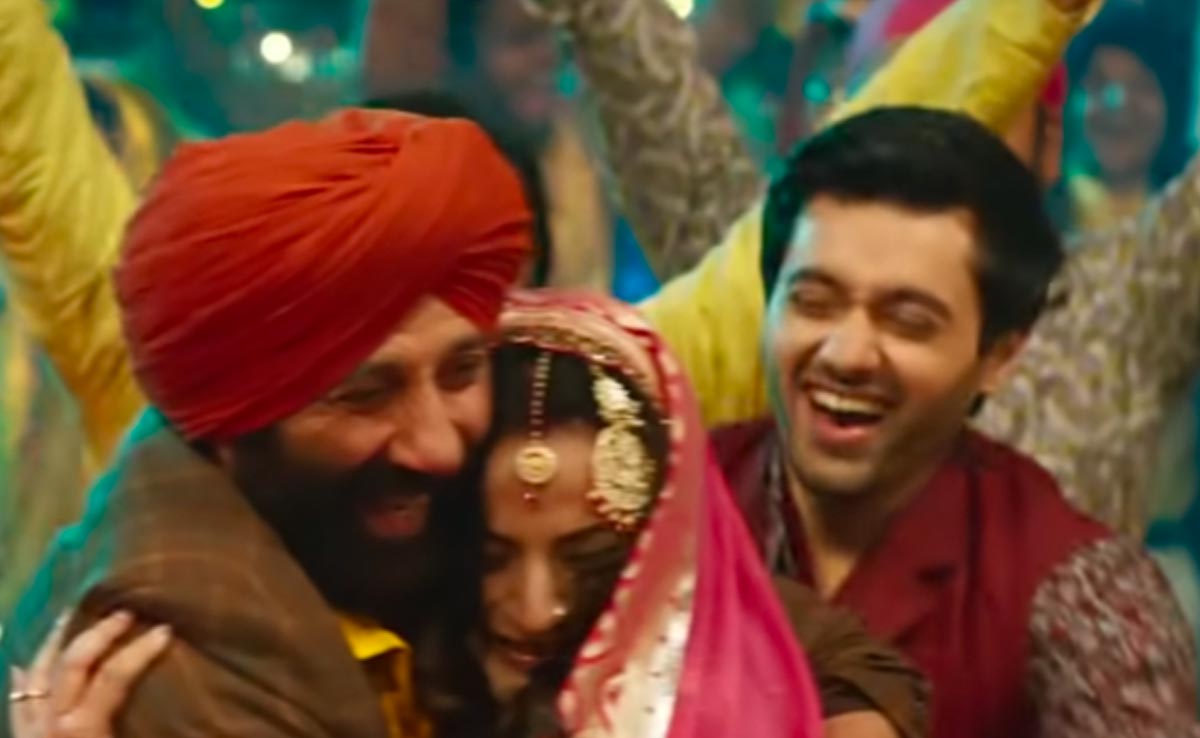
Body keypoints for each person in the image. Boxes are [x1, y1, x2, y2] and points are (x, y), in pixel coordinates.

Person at [0, 0, 1085, 608]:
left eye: (460, 364)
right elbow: (34, 141)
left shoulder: (560, 393)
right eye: (364, 385)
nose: (435, 440)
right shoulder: (180, 414)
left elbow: (815, 225)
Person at [9, 292, 933, 738]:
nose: (533, 609)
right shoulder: (346, 638)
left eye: (584, 562)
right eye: (491, 556)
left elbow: (847, 660)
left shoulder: (684, 631)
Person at [710, 106, 1198, 738]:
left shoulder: (1076, 591)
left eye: (908, 322)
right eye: (814, 302)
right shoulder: (668, 502)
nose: (846, 354)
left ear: (999, 357)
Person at [1063, 5, 1193, 233]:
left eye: (1140, 85)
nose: (1117, 101)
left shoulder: (1189, 223)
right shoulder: (1030, 214)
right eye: (1098, 83)